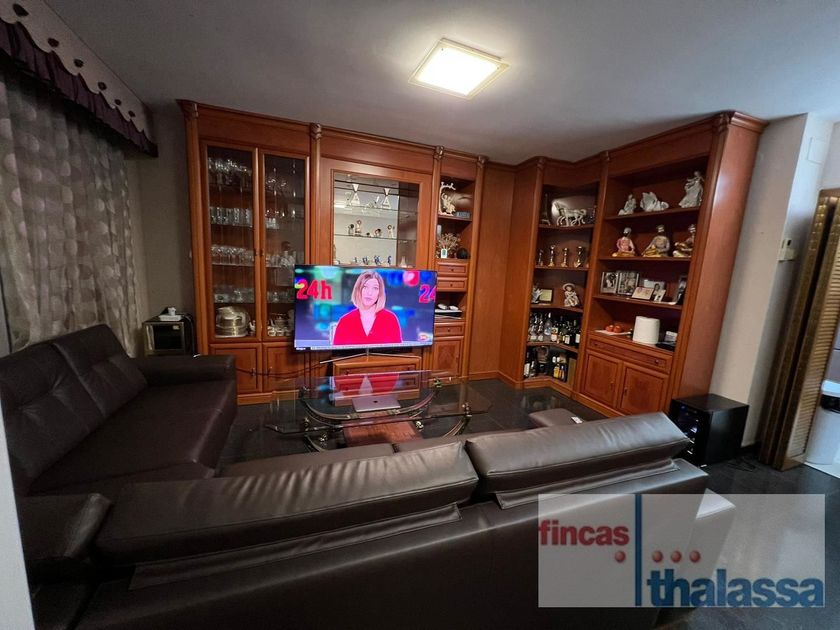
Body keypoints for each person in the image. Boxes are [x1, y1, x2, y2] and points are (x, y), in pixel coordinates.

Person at [332, 271, 402, 345]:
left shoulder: (390, 319)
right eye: (365, 287)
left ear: (380, 293)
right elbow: (337, 352)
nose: (369, 293)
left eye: (375, 288)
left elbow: (399, 351)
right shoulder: (345, 322)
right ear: (358, 290)